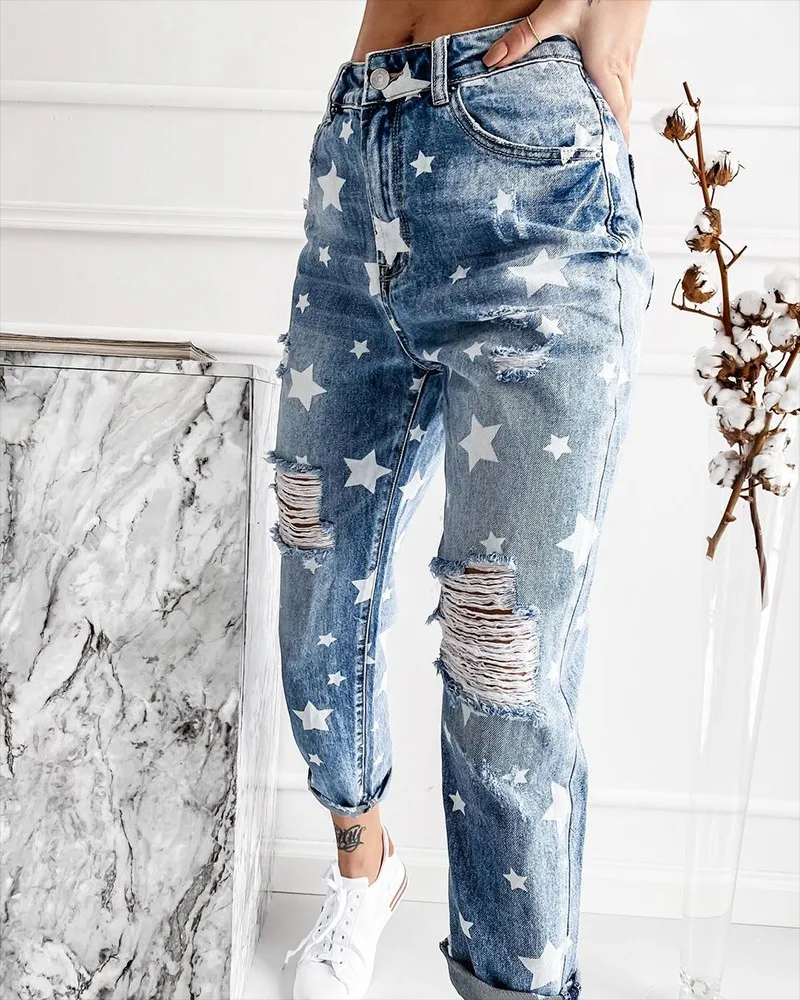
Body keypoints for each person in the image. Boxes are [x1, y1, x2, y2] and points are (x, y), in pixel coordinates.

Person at [269, 0, 653, 996]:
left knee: (500, 658)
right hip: (361, 152)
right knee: (316, 580)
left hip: (527, 172)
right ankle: (362, 865)